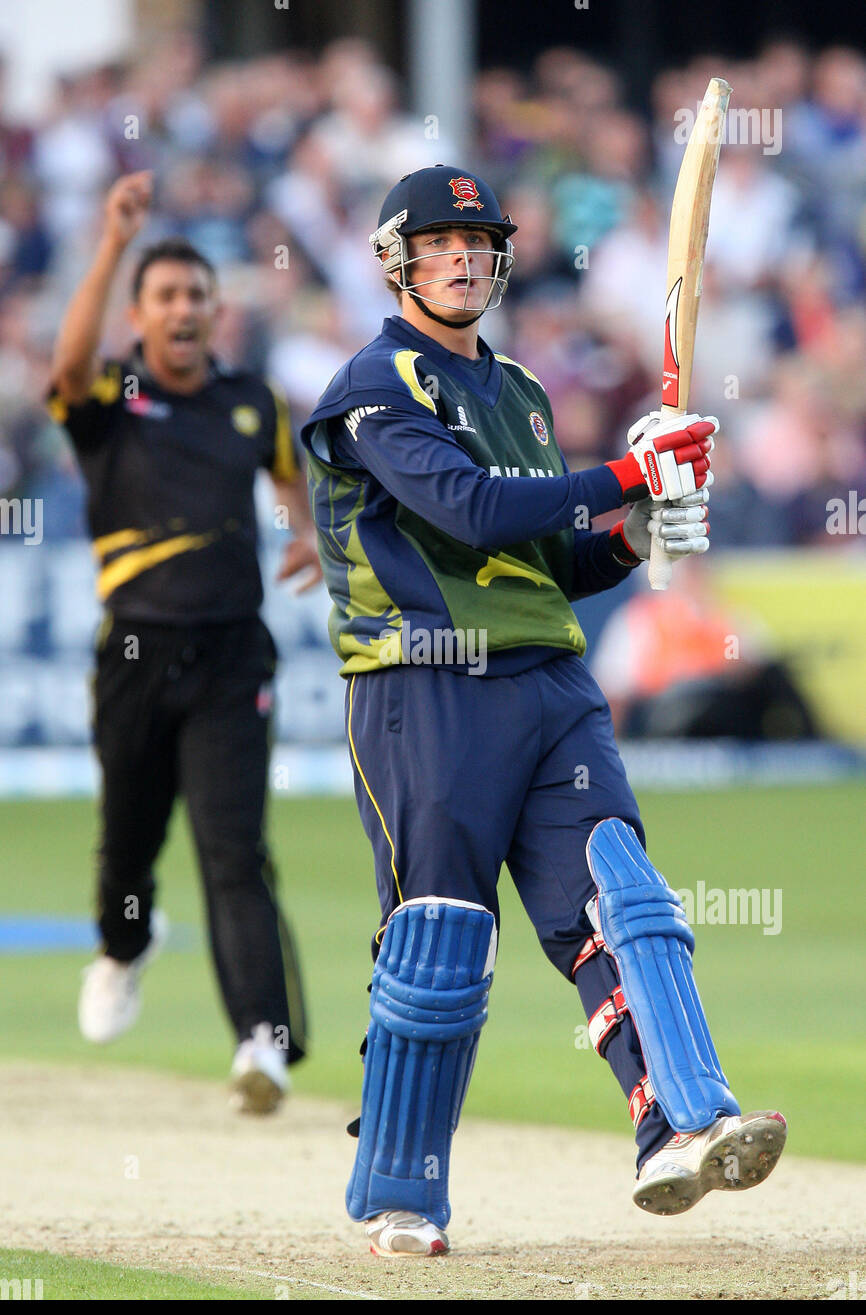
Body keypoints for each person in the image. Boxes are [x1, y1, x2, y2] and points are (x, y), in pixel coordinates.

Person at [301, 165, 786, 1255]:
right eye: (436, 243)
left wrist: (633, 531)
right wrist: (626, 466)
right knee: (439, 938)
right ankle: (398, 1191)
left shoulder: (516, 388)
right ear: (395, 262)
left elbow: (544, 559)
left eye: (476, 241)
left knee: (621, 898)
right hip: (422, 680)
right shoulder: (375, 385)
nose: (461, 258)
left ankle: (675, 1123)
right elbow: (468, 512)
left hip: (553, 683)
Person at [48, 171, 319, 1113]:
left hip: (231, 655)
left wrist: (306, 530)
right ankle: (125, 946)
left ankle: (263, 1041)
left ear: (214, 312)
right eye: (165, 297)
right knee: (127, 845)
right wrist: (113, 242)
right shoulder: (110, 398)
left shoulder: (252, 401)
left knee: (233, 851)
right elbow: (64, 364)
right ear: (141, 315)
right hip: (132, 654)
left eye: (197, 296)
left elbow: (294, 480)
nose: (184, 310)